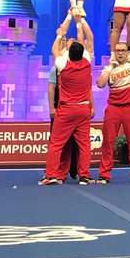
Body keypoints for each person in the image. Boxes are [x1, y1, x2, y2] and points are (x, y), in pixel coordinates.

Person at [39, 13, 95, 186]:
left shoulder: (62, 64)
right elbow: (89, 37)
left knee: (56, 143)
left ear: (69, 53)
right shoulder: (87, 61)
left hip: (67, 109)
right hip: (83, 109)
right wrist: (81, 20)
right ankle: (84, 176)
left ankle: (51, 175)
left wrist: (60, 34)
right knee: (84, 144)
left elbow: (54, 49)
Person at [95, 31, 130, 184]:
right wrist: (109, 67)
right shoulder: (110, 68)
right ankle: (104, 174)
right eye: (117, 50)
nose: (120, 53)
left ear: (128, 53)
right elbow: (100, 84)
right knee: (107, 142)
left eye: (123, 50)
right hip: (113, 108)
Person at [47, 53, 80, 182]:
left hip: (77, 109)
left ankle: (75, 171)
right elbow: (51, 89)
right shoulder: (56, 69)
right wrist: (51, 108)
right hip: (60, 109)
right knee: (57, 143)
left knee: (77, 143)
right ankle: (54, 172)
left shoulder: (82, 68)